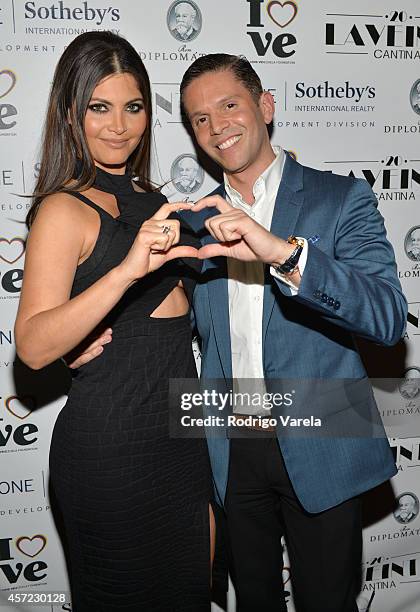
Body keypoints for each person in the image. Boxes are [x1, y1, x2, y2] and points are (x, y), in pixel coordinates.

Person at [74, 54, 407, 611]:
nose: (217, 126)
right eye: (199, 118)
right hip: (231, 444)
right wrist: (79, 348)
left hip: (325, 428)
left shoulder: (340, 198)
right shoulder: (191, 219)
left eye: (230, 105)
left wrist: (283, 253)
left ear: (265, 106)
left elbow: (388, 317)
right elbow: (151, 307)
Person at [14, 32, 214, 612]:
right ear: (71, 114)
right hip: (110, 448)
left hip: (180, 442)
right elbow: (30, 346)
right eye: (100, 108)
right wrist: (125, 272)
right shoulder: (62, 208)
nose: (119, 126)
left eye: (133, 107)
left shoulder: (159, 202)